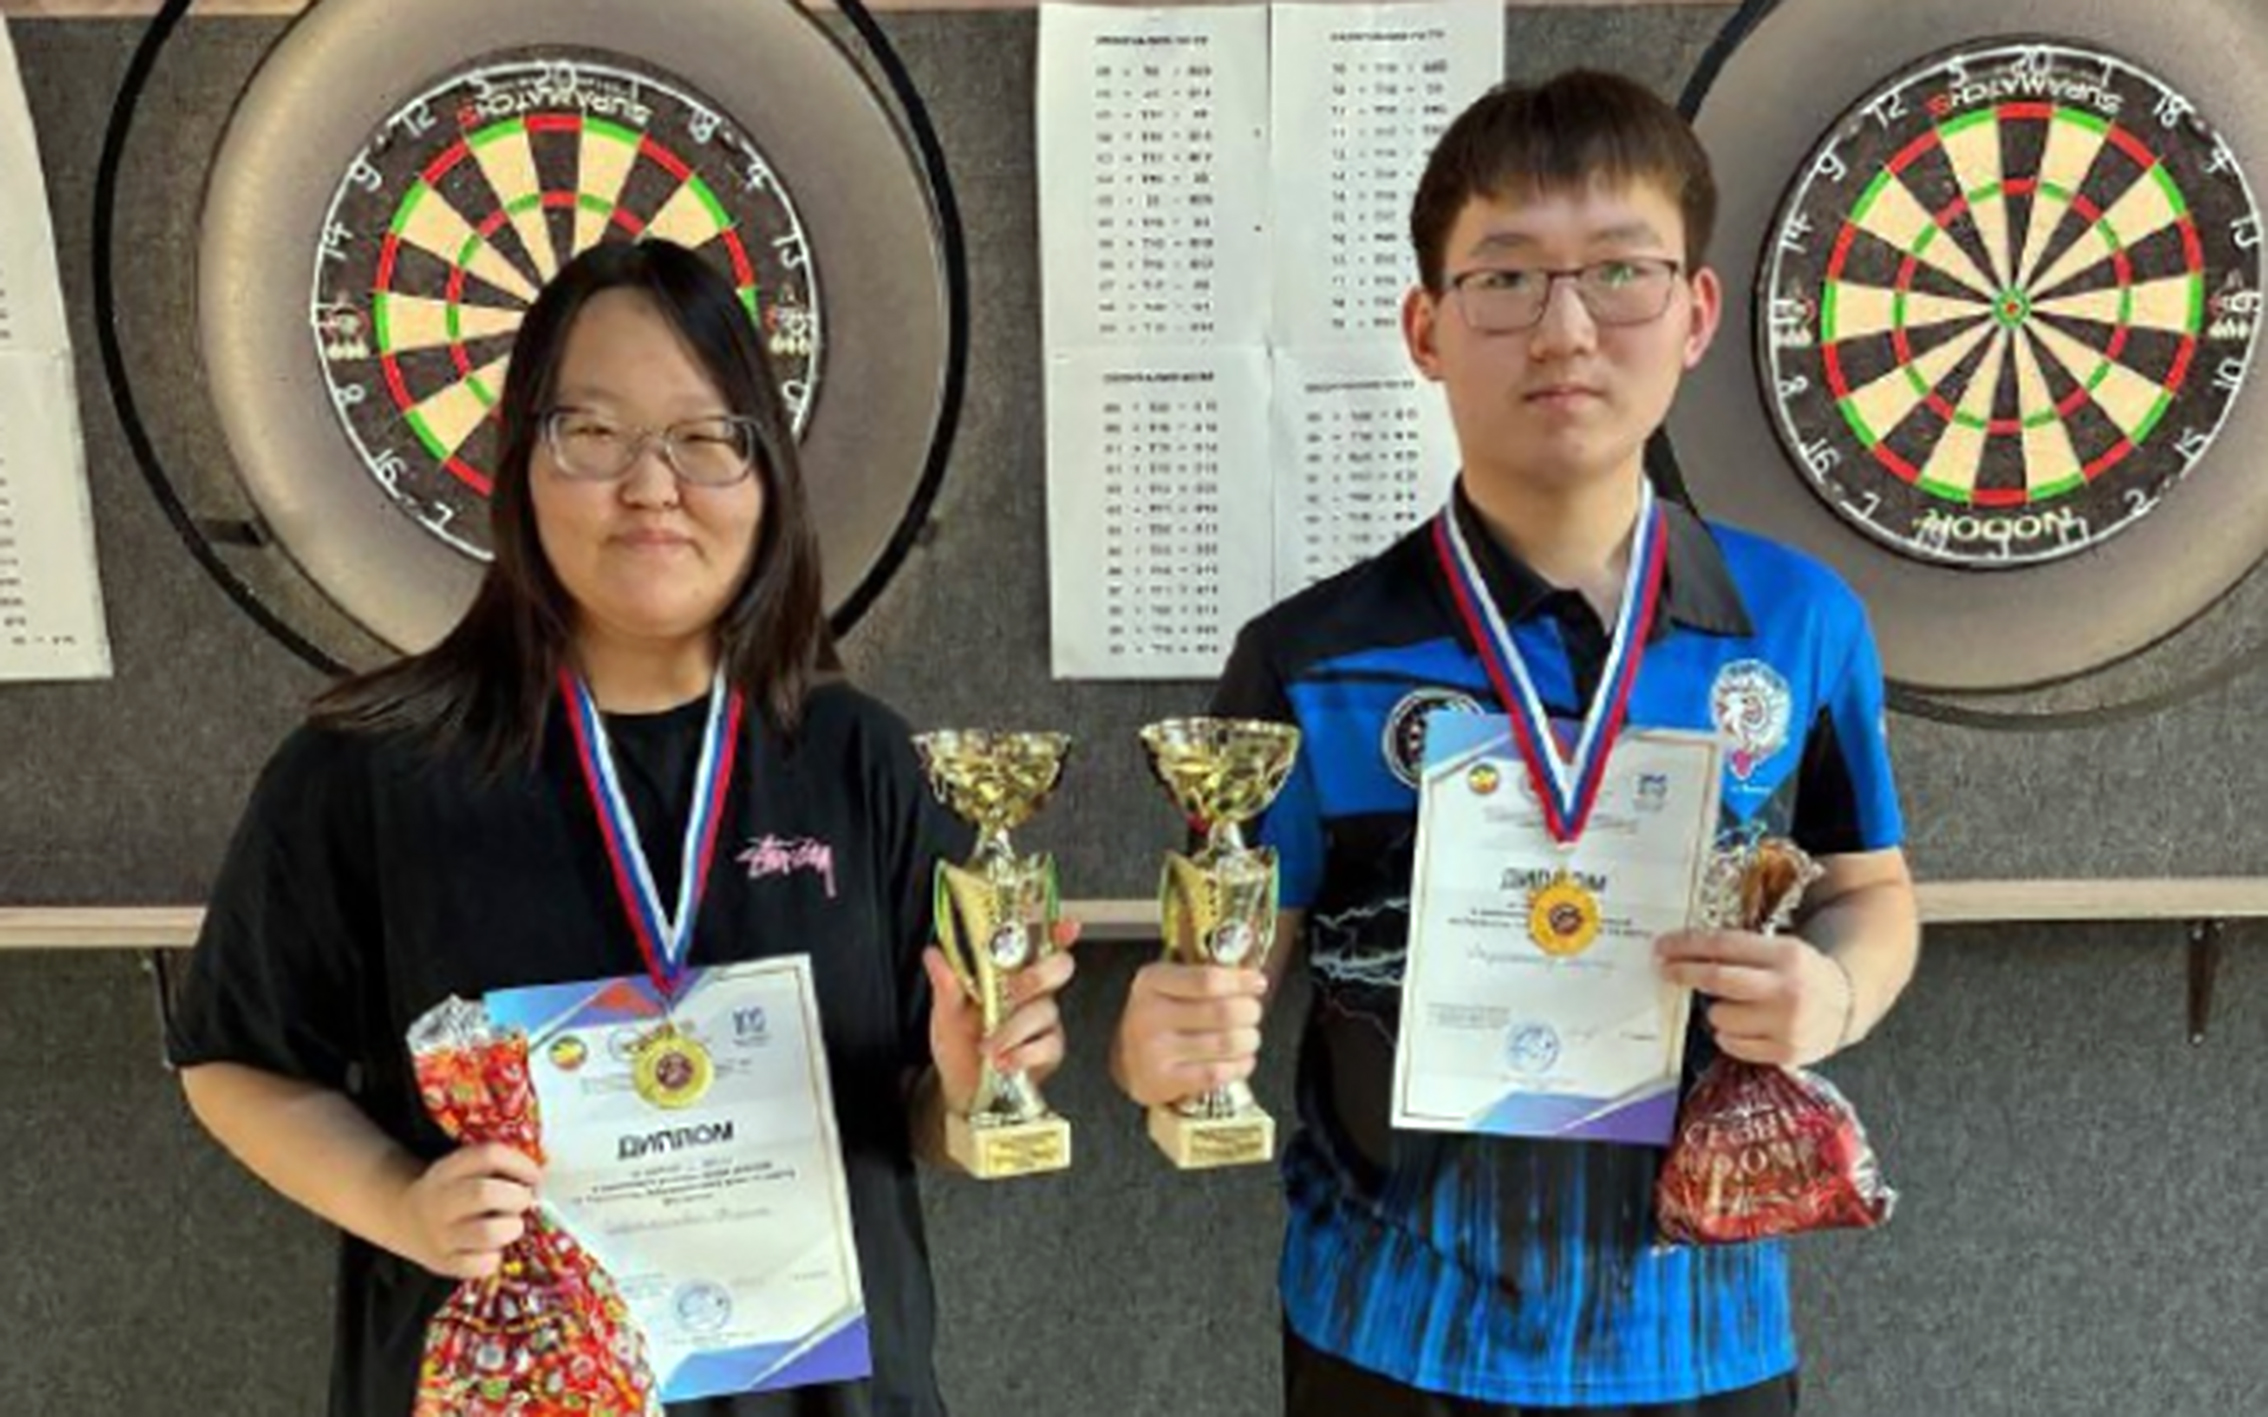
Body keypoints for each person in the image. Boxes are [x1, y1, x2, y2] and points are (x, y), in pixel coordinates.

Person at [1112, 71, 1918, 1415]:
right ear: (1426, 328)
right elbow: (1227, 967)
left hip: (1702, 1333)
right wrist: (1163, 1057)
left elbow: (1871, 888)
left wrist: (1833, 996)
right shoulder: (1311, 659)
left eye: (1619, 272)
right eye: (1506, 278)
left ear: (1695, 313)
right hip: (1391, 1332)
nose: (1564, 329)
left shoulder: (1796, 623)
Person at [167, 238, 1074, 1416]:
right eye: (594, 433)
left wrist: (965, 1090)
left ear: (766, 475)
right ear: (522, 464)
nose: (652, 485)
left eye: (705, 437)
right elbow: (234, 1063)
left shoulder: (859, 760)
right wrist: (401, 1203)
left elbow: (916, 1119)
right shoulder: (371, 769)